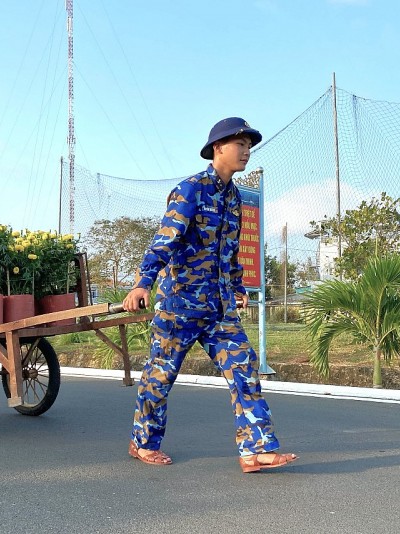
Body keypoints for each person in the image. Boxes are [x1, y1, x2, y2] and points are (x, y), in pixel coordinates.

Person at [123, 117, 298, 473]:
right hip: (180, 307)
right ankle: (142, 442)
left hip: (219, 310)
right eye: (240, 144)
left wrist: (237, 287)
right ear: (218, 148)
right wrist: (144, 282)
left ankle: (256, 449)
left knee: (244, 370)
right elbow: (164, 241)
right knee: (159, 377)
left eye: (249, 145)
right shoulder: (190, 191)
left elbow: (230, 250)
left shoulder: (234, 198)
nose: (247, 151)